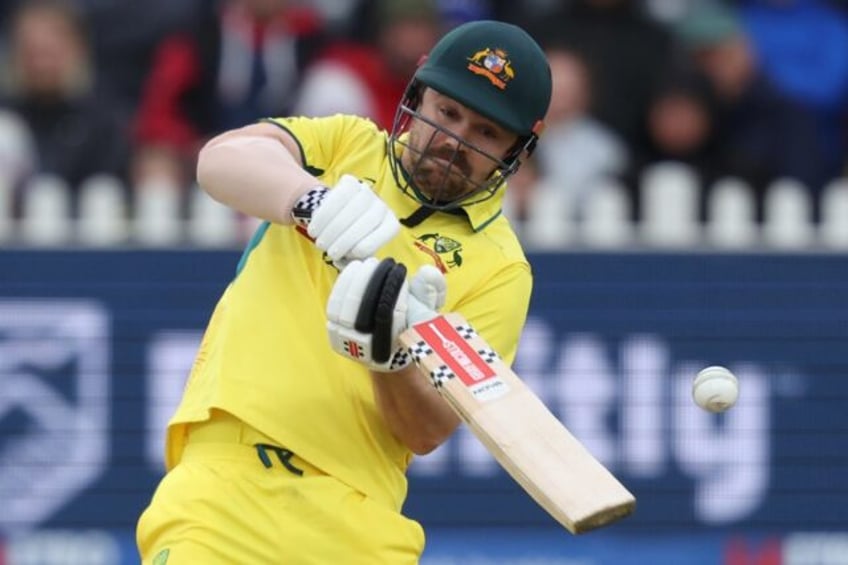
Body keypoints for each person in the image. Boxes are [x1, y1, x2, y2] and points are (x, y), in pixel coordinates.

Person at [136, 19, 551, 564]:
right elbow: (219, 161)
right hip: (225, 493)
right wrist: (311, 202)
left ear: (518, 149)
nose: (453, 141)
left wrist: (390, 359)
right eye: (447, 112)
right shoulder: (347, 146)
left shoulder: (500, 269)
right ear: (418, 94)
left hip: (359, 519)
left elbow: (427, 431)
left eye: (485, 132)